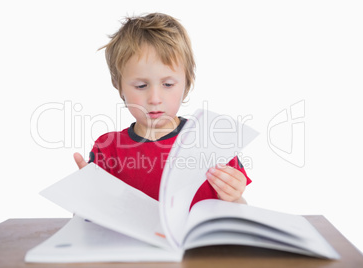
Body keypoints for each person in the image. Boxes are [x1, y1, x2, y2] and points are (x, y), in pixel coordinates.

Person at [73, 12, 251, 208]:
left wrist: (235, 198)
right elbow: (87, 221)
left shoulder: (212, 143)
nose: (155, 99)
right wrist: (86, 198)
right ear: (119, 86)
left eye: (167, 84)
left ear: (186, 83)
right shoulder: (108, 150)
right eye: (141, 86)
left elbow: (240, 212)